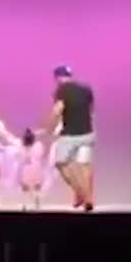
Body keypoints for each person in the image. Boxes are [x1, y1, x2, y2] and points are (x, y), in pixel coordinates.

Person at [43, 65, 95, 211]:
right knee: (85, 165)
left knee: (61, 163)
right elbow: (91, 110)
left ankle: (80, 192)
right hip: (87, 133)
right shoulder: (86, 89)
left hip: (70, 135)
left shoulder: (62, 90)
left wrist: (49, 128)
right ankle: (89, 199)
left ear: (57, 78)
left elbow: (57, 111)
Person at [8, 128, 52, 211]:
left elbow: (19, 157)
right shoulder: (38, 145)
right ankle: (34, 204)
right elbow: (41, 154)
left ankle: (27, 205)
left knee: (26, 189)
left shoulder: (22, 147)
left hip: (27, 170)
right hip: (35, 169)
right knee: (34, 188)